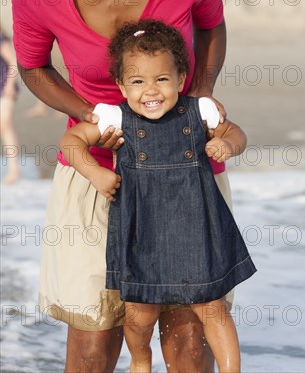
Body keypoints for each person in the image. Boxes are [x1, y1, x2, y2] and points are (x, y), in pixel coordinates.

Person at [12, 0, 228, 372]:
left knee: (187, 335)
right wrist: (92, 113)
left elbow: (212, 28)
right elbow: (33, 68)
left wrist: (198, 98)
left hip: (185, 174)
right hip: (96, 174)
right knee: (94, 339)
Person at [60, 19, 256, 372]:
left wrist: (228, 144)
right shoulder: (115, 119)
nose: (150, 91)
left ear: (180, 79)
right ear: (121, 85)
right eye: (137, 81)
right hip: (142, 232)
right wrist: (95, 172)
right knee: (139, 314)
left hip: (198, 228)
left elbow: (236, 132)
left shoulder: (199, 112)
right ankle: (141, 358)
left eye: (162, 79)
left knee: (213, 308)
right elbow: (71, 142)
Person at [0, 28, 20, 184]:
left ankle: (14, 170)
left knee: (5, 125)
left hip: (4, 88)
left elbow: (13, 61)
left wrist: (10, 84)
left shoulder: (1, 37)